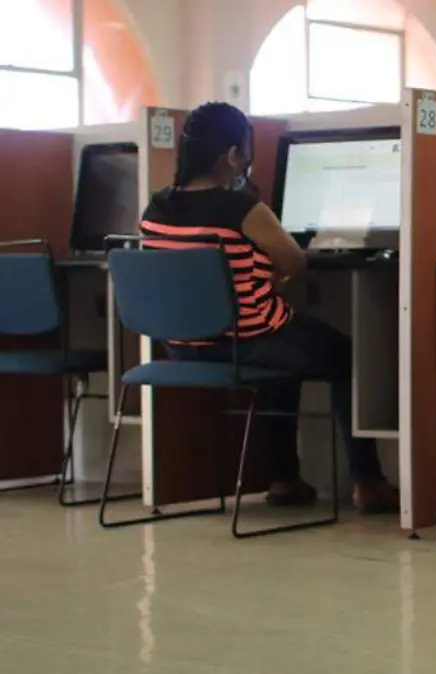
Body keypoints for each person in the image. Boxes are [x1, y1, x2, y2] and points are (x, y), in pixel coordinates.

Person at [139, 102, 400, 513]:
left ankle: (284, 479)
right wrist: (274, 280)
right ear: (232, 155)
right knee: (347, 356)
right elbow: (294, 259)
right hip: (244, 341)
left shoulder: (156, 209)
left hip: (182, 345)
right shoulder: (240, 207)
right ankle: (367, 480)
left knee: (284, 354)